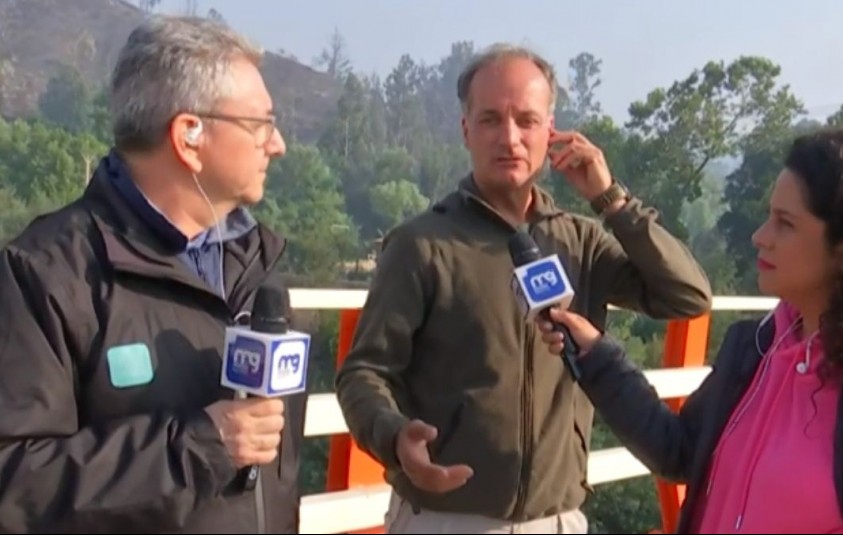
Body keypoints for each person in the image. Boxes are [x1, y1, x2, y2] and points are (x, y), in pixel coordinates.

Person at [335, 43, 712, 534]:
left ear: (551, 130)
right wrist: (393, 436)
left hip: (556, 520)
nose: (509, 138)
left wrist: (611, 200)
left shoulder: (581, 241)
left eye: (526, 121)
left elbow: (687, 296)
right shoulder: (422, 244)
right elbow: (364, 372)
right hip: (446, 519)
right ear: (465, 129)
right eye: (490, 119)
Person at [536, 125, 843, 533]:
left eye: (785, 224)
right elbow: (679, 451)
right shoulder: (757, 347)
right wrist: (596, 355)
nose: (760, 237)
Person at [0, 15, 301, 534]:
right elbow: (15, 480)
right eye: (261, 125)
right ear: (189, 136)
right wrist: (200, 446)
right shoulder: (49, 273)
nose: (277, 146)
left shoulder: (258, 265)